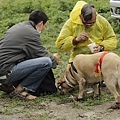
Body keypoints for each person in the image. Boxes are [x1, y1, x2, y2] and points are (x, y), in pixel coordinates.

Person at [0, 10, 60, 100]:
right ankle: (20, 90)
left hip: (3, 69)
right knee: (47, 62)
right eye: (45, 25)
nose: (44, 28)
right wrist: (54, 59)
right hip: (6, 71)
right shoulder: (31, 33)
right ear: (40, 24)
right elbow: (42, 54)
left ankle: (8, 84)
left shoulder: (19, 27)